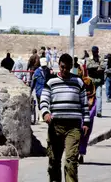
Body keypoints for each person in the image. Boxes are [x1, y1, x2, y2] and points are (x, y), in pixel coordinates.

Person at [40, 53, 90, 182]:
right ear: (59, 65)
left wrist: (86, 122)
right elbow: (44, 100)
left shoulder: (78, 82)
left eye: (67, 68)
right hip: (55, 126)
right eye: (62, 67)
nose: (64, 70)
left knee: (71, 160)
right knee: (54, 160)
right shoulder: (51, 82)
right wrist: (45, 113)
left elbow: (84, 104)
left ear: (71, 67)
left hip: (73, 127)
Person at [78, 72, 97, 164]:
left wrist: (87, 118)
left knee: (84, 138)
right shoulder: (80, 96)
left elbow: (93, 111)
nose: (87, 91)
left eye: (88, 88)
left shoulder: (93, 98)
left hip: (88, 122)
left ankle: (81, 155)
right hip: (78, 119)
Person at [86, 46, 105, 117]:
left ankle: (99, 111)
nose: (94, 53)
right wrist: (96, 67)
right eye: (93, 52)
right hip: (91, 81)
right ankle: (90, 110)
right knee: (90, 96)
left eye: (95, 52)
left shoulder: (101, 59)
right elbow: (88, 66)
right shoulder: (89, 59)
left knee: (98, 96)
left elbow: (102, 67)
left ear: (98, 51)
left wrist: (94, 68)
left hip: (98, 81)